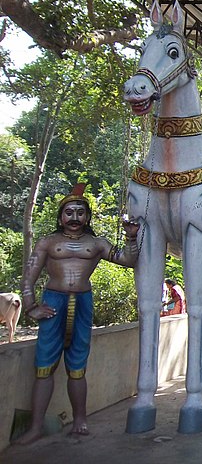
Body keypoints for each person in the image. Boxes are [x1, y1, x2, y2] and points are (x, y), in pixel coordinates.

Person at [15, 184, 139, 445]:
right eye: (69, 212)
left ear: (87, 217)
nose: (74, 218)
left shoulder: (97, 243)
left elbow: (127, 260)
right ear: (60, 216)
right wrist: (30, 307)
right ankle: (36, 426)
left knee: (78, 366)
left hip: (83, 303)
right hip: (53, 303)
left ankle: (80, 420)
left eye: (80, 213)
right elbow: (29, 277)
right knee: (44, 366)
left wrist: (130, 237)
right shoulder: (48, 242)